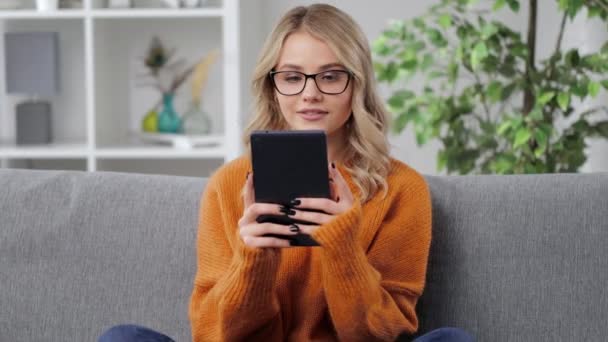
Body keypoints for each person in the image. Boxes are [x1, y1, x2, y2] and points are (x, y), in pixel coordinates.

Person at [99, 4, 474, 342]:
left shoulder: (401, 189)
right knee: (122, 338)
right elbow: (211, 334)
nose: (310, 94)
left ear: (356, 86)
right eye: (293, 77)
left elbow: (382, 334)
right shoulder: (229, 184)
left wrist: (343, 246)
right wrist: (253, 258)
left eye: (329, 77)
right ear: (272, 87)